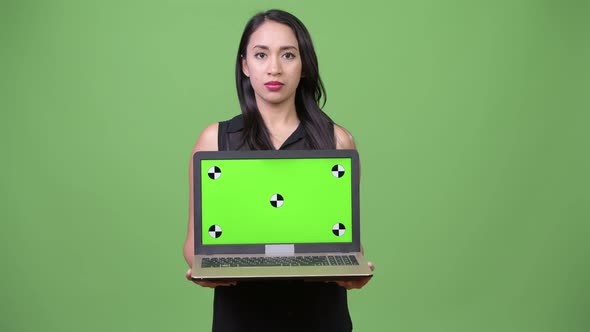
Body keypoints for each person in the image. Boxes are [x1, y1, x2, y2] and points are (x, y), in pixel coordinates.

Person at [183, 9, 374, 332]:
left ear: (304, 65)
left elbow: (347, 243)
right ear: (245, 65)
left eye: (288, 55)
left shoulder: (337, 140)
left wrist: (352, 272)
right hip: (241, 319)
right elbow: (193, 244)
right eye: (261, 55)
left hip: (320, 318)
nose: (274, 68)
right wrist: (205, 267)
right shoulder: (214, 139)